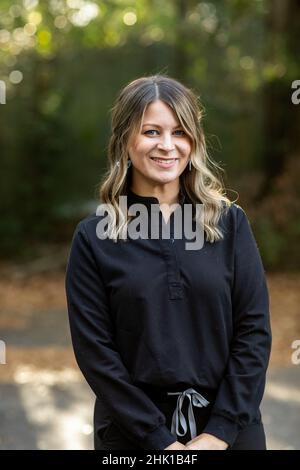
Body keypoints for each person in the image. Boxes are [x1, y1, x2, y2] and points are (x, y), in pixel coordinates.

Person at [65, 74, 272, 450]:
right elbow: (96, 354)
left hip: (231, 429)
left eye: (179, 132)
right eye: (151, 132)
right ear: (125, 141)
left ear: (194, 142)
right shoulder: (94, 238)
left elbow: (254, 333)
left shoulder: (229, 224)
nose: (167, 145)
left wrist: (218, 433)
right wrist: (160, 441)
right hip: (132, 436)